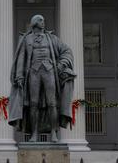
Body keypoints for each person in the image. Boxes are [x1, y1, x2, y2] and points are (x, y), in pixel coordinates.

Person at [8, 14, 76, 143]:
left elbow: (66, 51)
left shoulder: (52, 38)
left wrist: (61, 64)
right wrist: (19, 75)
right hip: (33, 72)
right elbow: (21, 58)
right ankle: (34, 134)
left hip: (49, 71)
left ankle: (54, 133)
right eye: (40, 20)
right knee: (33, 104)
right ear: (34, 22)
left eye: (44, 20)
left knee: (52, 103)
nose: (43, 22)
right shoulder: (26, 39)